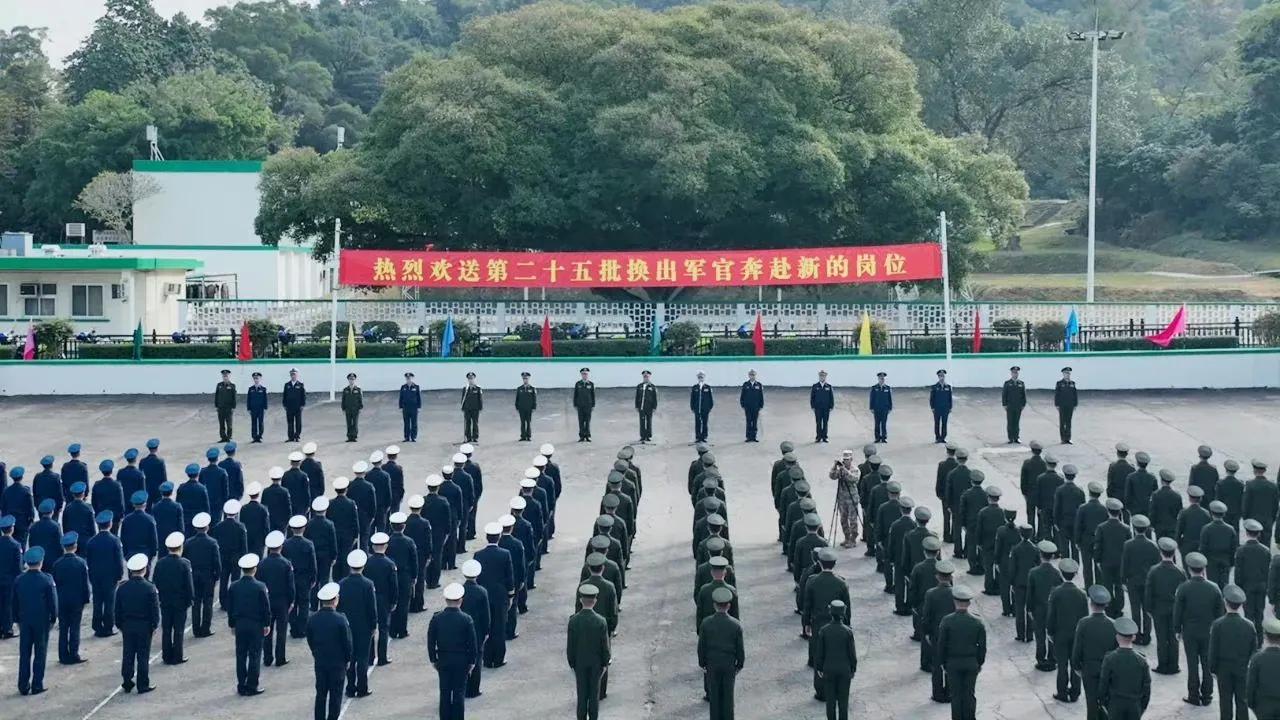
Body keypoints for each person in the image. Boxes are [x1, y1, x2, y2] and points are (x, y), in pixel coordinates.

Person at [1175, 552, 1226, 706]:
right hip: (1208, 632)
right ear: (1204, 569)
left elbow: (1178, 611)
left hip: (1190, 631)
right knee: (1206, 664)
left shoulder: (1184, 588)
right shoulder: (1214, 588)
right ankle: (1207, 695)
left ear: (1190, 569)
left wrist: (1177, 629)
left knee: (1192, 664)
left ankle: (1193, 695)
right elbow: (1220, 613)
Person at [936, 586, 986, 720]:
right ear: (969, 603)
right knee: (969, 694)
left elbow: (941, 645)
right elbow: (982, 647)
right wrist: (979, 663)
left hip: (953, 663)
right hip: (971, 662)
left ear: (954, 602)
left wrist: (942, 663)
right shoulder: (977, 622)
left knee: (956, 696)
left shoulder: (947, 621)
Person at [430, 583, 478, 720]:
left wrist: (433, 659)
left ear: (446, 600)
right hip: (461, 661)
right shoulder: (466, 619)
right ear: (461, 600)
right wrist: (472, 662)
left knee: (444, 693)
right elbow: (472, 643)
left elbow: (431, 641)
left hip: (443, 659)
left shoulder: (436, 618)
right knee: (459, 693)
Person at [227, 553, 271, 696]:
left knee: (240, 655)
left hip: (240, 624)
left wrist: (232, 625)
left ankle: (241, 684)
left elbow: (230, 607)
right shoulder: (260, 586)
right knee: (255, 655)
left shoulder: (234, 586)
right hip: (255, 625)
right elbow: (265, 608)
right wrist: (267, 624)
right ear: (255, 569)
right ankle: (252, 685)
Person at [1209, 585, 1256, 720]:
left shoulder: (1217, 625)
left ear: (1225, 602)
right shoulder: (1249, 625)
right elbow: (1253, 649)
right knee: (1242, 701)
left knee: (1225, 701)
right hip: (1242, 668)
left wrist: (1212, 669)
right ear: (1241, 605)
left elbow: (1213, 650)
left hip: (1223, 669)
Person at [115, 553, 159, 693]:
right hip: (144, 626)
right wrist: (155, 625)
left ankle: (127, 681)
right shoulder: (149, 588)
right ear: (145, 569)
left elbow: (117, 610)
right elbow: (154, 610)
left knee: (128, 654)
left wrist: (120, 625)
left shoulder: (122, 588)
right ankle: (142, 684)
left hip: (127, 625)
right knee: (143, 655)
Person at [13, 547, 56, 695]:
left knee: (24, 653)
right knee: (40, 653)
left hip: (24, 621)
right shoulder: (46, 580)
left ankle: (23, 685)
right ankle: (37, 684)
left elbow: (14, 603)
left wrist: (16, 620)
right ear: (41, 562)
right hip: (41, 621)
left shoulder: (19, 580)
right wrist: (53, 618)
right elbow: (52, 603)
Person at [308, 582, 352, 720]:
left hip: (320, 661)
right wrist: (348, 659)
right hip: (337, 663)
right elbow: (347, 643)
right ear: (336, 600)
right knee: (336, 694)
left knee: (321, 694)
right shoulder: (341, 620)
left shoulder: (312, 619)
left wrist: (316, 653)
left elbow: (310, 639)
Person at [699, 585, 744, 720]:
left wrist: (702, 663)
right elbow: (740, 649)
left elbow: (701, 646)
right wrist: (739, 665)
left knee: (714, 698)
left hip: (712, 663)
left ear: (714, 605)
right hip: (729, 664)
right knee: (728, 697)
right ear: (728, 606)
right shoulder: (736, 625)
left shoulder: (706, 623)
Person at [567, 583, 610, 720]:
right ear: (595, 601)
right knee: (594, 696)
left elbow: (570, 647)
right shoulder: (601, 621)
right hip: (596, 664)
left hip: (580, 662)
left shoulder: (573, 621)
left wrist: (572, 664)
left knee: (582, 695)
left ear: (581, 600)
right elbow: (605, 646)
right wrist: (605, 663)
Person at [1074, 585, 1118, 720]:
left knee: (1091, 703)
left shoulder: (1083, 623)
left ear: (1091, 603)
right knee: (1107, 703)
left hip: (1090, 669)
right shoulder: (1114, 624)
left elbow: (1078, 648)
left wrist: (1077, 666)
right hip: (1108, 670)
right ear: (1106, 605)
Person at [1047, 558, 1087, 702]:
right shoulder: (1082, 594)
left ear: (1062, 573)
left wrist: (1050, 632)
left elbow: (1052, 616)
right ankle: (1075, 692)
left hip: (1060, 634)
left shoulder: (1056, 593)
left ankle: (1062, 692)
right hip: (1076, 635)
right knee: (1076, 664)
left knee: (1062, 665)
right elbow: (1085, 618)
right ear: (1075, 574)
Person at [338, 549, 376, 698]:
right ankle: (362, 687)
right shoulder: (368, 584)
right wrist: (373, 625)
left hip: (347, 626)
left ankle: (350, 686)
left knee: (350, 657)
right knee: (362, 658)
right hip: (364, 626)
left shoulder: (341, 584)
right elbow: (371, 608)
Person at [1145, 537, 1186, 675]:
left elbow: (1149, 591)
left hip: (1159, 608)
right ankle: (1174, 665)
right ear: (1174, 553)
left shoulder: (1154, 570)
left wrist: (1149, 609)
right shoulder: (1180, 571)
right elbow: (1182, 594)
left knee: (1161, 637)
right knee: (1173, 637)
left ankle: (1163, 664)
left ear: (1161, 553)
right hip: (1173, 608)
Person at [1098, 616, 1151, 720]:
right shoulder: (1142, 661)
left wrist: (1104, 702)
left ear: (1117, 637)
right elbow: (1146, 687)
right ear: (1134, 638)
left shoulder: (1109, 659)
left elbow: (1103, 684)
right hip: (1134, 705)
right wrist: (1141, 707)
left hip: (1115, 705)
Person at [1121, 515, 1160, 646]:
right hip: (1148, 582)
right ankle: (1147, 636)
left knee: (1135, 609)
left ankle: (1136, 634)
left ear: (1134, 528)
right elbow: (1156, 566)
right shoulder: (1153, 546)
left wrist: (1123, 580)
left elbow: (1125, 564)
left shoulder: (1128, 545)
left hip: (1133, 581)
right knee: (1147, 609)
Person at [153, 531, 192, 664]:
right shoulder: (184, 563)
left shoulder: (160, 563)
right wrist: (190, 599)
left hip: (165, 600)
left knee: (166, 629)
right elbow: (188, 584)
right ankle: (177, 655)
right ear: (180, 547)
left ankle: (166, 655)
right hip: (180, 601)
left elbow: (155, 581)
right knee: (179, 630)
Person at [814, 599, 856, 720]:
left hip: (829, 669)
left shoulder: (824, 630)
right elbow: (852, 654)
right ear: (843, 614)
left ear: (830, 613)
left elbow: (820, 653)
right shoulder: (848, 632)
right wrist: (853, 668)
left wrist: (820, 668)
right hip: (844, 670)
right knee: (843, 702)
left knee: (830, 702)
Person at [259, 531, 296, 667]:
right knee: (281, 630)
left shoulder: (262, 564)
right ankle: (280, 658)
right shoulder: (286, 564)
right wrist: (291, 601)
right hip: (282, 602)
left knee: (267, 629)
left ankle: (267, 658)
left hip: (267, 601)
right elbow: (290, 586)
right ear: (281, 547)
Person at [85, 510, 123, 637]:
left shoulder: (91, 542)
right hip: (110, 576)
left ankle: (97, 626)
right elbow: (118, 561)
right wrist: (119, 575)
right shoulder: (114, 541)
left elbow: (89, 561)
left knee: (97, 600)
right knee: (109, 602)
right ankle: (108, 626)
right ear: (110, 524)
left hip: (96, 575)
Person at [1028, 540, 1064, 670]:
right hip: (1052, 609)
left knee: (1040, 635)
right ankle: (1052, 658)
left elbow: (1030, 594)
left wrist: (1029, 609)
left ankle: (1041, 659)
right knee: (1051, 633)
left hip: (1038, 608)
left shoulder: (1033, 572)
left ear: (1040, 555)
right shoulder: (1056, 573)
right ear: (1052, 556)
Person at [185, 513, 220, 637]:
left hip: (194, 576)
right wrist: (216, 576)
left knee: (196, 603)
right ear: (207, 527)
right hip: (208, 576)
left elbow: (186, 561)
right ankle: (205, 628)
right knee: (208, 603)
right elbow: (216, 562)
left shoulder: (188, 543)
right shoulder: (212, 543)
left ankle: (196, 629)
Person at [459, 560, 490, 698]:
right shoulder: (481, 592)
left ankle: (463, 687)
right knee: (476, 659)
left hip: (461, 629)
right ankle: (474, 689)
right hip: (477, 629)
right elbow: (486, 615)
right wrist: (487, 631)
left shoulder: (460, 590)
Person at [1247, 618, 1280, 719]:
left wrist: (1251, 703)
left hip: (1263, 706)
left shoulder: (1257, 659)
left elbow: (1251, 685)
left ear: (1265, 637)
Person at [1242, 458, 1278, 546]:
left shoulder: (1250, 485)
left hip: (1253, 520)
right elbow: (1275, 506)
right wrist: (1271, 519)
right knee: (1266, 545)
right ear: (1264, 470)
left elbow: (1245, 504)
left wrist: (1245, 519)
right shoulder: (1273, 486)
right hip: (1267, 520)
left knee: (1253, 544)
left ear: (1254, 470)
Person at [829, 451, 860, 547]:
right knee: (843, 519)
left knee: (852, 519)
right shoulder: (840, 470)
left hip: (852, 498)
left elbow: (853, 479)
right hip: (842, 498)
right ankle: (847, 536)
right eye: (844, 460)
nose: (846, 462)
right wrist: (834, 466)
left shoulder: (855, 470)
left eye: (847, 460)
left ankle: (853, 538)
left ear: (851, 459)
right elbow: (832, 476)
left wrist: (845, 470)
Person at [2, 466, 36, 545]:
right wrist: (31, 520)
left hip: (9, 522)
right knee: (22, 544)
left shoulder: (6, 491)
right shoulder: (26, 491)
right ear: (22, 477)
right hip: (22, 522)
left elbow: (3, 508)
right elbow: (30, 509)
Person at [1001, 365, 1027, 444]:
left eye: (1016, 373)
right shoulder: (1007, 383)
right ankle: (1010, 438)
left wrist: (1023, 404)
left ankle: (1016, 437)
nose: (1015, 374)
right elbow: (1004, 394)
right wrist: (1004, 404)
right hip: (1010, 406)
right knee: (1010, 422)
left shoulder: (1021, 383)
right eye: (1013, 373)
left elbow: (1023, 395)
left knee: (1016, 422)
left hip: (1018, 406)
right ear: (1011, 374)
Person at [1053, 367, 1078, 444]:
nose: (1067, 374)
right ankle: (1063, 439)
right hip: (1062, 405)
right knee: (1062, 422)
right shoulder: (1059, 383)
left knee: (1068, 422)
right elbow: (1057, 395)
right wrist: (1057, 404)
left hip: (1070, 405)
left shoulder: (1072, 383)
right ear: (1063, 374)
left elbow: (1075, 395)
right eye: (1066, 373)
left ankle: (1068, 438)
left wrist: (1075, 404)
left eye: (1068, 373)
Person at [739, 369, 764, 442]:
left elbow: (761, 396)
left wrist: (761, 405)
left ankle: (754, 437)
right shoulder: (745, 384)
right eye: (751, 375)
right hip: (748, 406)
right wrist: (742, 404)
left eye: (753, 375)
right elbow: (742, 395)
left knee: (755, 421)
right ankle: (748, 437)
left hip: (756, 406)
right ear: (749, 376)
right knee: (749, 421)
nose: (752, 376)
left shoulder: (759, 385)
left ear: (755, 376)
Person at [573, 367, 596, 442]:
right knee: (581, 421)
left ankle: (588, 436)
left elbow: (593, 395)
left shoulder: (591, 384)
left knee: (588, 421)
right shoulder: (578, 384)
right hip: (580, 406)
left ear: (588, 375)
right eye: (583, 374)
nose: (584, 375)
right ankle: (582, 436)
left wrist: (593, 405)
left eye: (586, 374)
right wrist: (575, 404)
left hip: (588, 406)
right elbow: (575, 395)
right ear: (581, 375)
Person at [810, 370, 834, 443]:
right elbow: (812, 397)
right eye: (821, 376)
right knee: (818, 422)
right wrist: (813, 406)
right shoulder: (815, 386)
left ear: (825, 377)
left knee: (825, 422)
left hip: (826, 408)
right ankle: (818, 437)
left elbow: (831, 397)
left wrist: (831, 406)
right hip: (818, 408)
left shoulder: (829, 386)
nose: (822, 377)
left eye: (823, 376)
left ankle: (825, 437)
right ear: (819, 377)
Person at [283, 368, 307, 442]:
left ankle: (297, 436)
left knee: (298, 422)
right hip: (289, 407)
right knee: (290, 422)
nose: (293, 376)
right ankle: (290, 437)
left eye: (294, 374)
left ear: (297, 375)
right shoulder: (287, 385)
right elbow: (284, 395)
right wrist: (284, 404)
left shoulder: (300, 385)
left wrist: (302, 405)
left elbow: (303, 396)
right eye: (292, 374)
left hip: (298, 407)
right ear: (290, 375)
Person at [929, 369, 952, 444]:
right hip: (937, 408)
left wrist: (950, 407)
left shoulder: (948, 387)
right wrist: (932, 407)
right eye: (940, 376)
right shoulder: (935, 387)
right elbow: (931, 398)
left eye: (943, 376)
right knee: (937, 423)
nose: (942, 377)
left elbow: (950, 398)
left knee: (944, 423)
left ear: (944, 377)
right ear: (938, 377)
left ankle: (943, 438)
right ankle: (937, 437)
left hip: (945, 408)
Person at [397, 372, 421, 443]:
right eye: (407, 378)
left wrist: (419, 407)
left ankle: (413, 437)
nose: (408, 379)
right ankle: (406, 437)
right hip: (405, 408)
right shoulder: (403, 387)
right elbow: (401, 397)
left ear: (412, 378)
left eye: (409, 378)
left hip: (414, 408)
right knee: (406, 423)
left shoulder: (416, 387)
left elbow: (418, 397)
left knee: (414, 423)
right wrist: (400, 407)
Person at [869, 371, 893, 443]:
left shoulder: (887, 388)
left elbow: (889, 399)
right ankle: (877, 438)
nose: (882, 379)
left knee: (883, 424)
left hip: (885, 409)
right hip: (876, 409)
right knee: (877, 424)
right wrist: (871, 407)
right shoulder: (874, 388)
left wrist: (890, 408)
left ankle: (883, 438)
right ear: (878, 379)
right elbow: (872, 398)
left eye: (883, 378)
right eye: (880, 378)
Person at [690, 371, 714, 443]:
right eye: (699, 377)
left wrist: (710, 407)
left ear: (704, 378)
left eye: (702, 377)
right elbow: (692, 398)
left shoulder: (707, 387)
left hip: (705, 408)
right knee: (697, 423)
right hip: (697, 408)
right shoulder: (695, 387)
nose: (700, 378)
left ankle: (704, 437)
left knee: (705, 423)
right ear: (698, 378)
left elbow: (710, 398)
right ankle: (698, 437)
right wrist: (692, 407)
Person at [635, 370, 658, 443]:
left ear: (649, 377)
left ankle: (648, 436)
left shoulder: (652, 387)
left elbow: (655, 398)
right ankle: (642, 436)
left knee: (649, 422)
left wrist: (654, 407)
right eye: (644, 376)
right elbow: (637, 396)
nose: (646, 378)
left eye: (647, 376)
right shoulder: (639, 386)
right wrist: (636, 406)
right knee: (642, 422)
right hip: (641, 407)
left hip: (649, 407)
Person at [215, 369, 237, 442]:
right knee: (221, 424)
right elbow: (216, 396)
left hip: (229, 408)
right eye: (224, 376)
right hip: (220, 407)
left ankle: (229, 437)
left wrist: (233, 407)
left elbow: (234, 397)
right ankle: (223, 437)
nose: (225, 377)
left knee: (229, 424)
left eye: (226, 376)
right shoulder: (219, 385)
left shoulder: (232, 386)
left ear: (229, 376)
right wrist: (216, 405)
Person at [340, 373, 363, 442]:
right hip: (348, 409)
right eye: (350, 379)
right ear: (348, 380)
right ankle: (349, 437)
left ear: (355, 380)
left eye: (353, 379)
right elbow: (343, 400)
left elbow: (360, 399)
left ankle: (354, 436)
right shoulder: (345, 390)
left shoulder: (358, 389)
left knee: (355, 423)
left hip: (355, 409)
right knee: (349, 423)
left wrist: (360, 408)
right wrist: (343, 408)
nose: (351, 381)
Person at [461, 372, 483, 443]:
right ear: (468, 379)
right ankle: (468, 437)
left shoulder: (478, 388)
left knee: (475, 423)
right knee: (467, 423)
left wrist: (480, 407)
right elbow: (463, 398)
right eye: (469, 379)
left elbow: (480, 399)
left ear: (474, 379)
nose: (471, 380)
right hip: (467, 409)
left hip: (475, 409)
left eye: (472, 378)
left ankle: (475, 437)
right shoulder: (465, 388)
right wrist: (463, 407)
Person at [515, 372, 537, 442]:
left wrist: (534, 407)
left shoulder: (532, 388)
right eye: (524, 379)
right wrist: (517, 407)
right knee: (522, 422)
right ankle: (523, 436)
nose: (525, 380)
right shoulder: (519, 388)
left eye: (526, 379)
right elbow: (517, 399)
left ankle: (528, 436)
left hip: (529, 408)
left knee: (528, 422)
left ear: (529, 379)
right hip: (521, 408)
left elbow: (534, 399)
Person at [247, 371, 268, 443]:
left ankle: (259, 436)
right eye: (255, 378)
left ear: (260, 379)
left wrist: (265, 408)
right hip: (253, 409)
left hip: (261, 409)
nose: (256, 380)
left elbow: (265, 399)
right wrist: (248, 408)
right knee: (254, 423)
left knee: (260, 423)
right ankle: (254, 437)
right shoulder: (250, 389)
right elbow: (248, 399)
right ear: (253, 379)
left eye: (257, 378)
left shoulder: (263, 389)